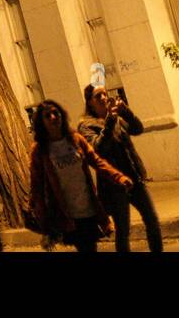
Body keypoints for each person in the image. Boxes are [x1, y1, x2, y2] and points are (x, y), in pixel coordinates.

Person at [28, 99, 131, 252]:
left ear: (62, 115)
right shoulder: (40, 150)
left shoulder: (75, 139)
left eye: (55, 113)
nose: (53, 117)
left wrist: (119, 177)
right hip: (66, 212)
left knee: (90, 247)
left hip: (88, 207)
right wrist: (43, 219)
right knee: (87, 248)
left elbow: (97, 162)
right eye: (47, 116)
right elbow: (36, 186)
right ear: (41, 123)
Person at [77, 84, 162, 252]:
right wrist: (109, 123)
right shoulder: (86, 126)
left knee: (152, 220)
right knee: (123, 230)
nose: (103, 98)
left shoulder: (116, 117)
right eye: (97, 96)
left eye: (104, 93)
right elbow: (98, 149)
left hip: (134, 177)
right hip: (114, 185)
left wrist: (125, 112)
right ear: (90, 103)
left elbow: (138, 129)